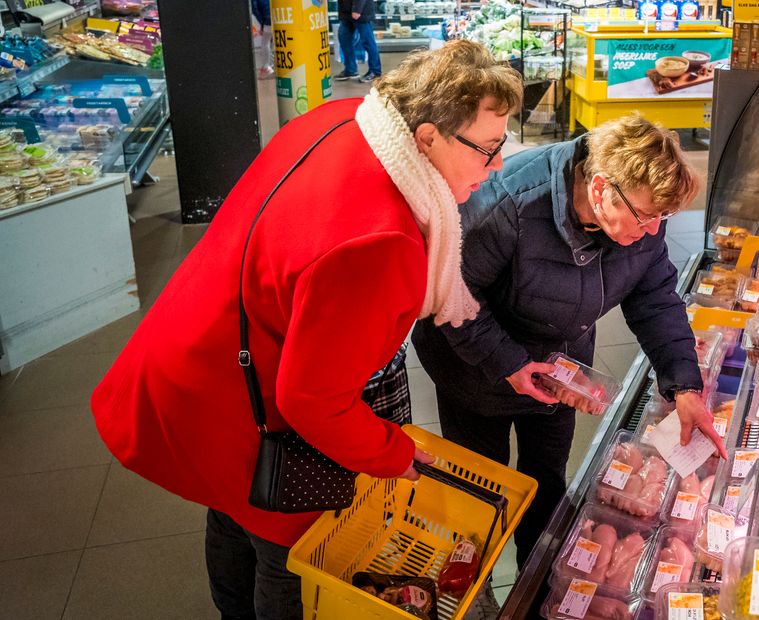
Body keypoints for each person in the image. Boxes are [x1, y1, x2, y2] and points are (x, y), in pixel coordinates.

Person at [90, 41, 521, 620]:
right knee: (287, 553)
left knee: (229, 511)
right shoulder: (381, 242)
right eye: (488, 149)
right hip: (248, 402)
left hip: (202, 358)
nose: (497, 166)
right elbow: (312, 402)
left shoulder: (343, 120)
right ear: (426, 138)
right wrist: (391, 452)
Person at [412, 114, 728, 570]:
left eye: (665, 217)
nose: (656, 230)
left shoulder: (638, 220)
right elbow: (450, 294)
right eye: (645, 216)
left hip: (560, 372)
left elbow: (656, 299)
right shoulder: (509, 202)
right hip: (475, 371)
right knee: (478, 491)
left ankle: (534, 581)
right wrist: (509, 363)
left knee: (545, 483)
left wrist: (683, 386)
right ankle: (468, 584)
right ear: (600, 189)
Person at [335, 0, 382, 82]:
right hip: (346, 13)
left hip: (361, 12)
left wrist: (357, 9)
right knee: (344, 40)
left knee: (368, 42)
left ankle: (375, 71)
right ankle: (351, 70)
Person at [251, 0, 275, 79]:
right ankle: (269, 65)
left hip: (267, 19)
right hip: (278, 16)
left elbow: (255, 10)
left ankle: (267, 66)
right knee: (269, 42)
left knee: (265, 43)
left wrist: (262, 23)